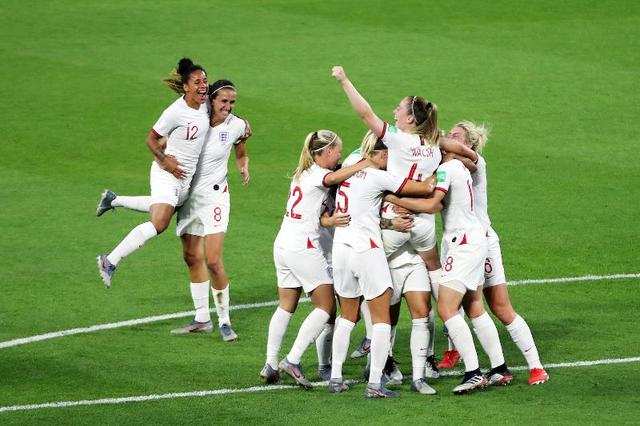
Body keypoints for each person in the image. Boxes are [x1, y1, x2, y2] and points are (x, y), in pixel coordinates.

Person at [330, 65, 477, 372]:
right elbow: (453, 147)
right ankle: (447, 346)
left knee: (376, 291)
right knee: (436, 282)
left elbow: (365, 113)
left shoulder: (398, 139)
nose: (393, 111)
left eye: (398, 108)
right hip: (423, 224)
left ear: (410, 118)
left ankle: (378, 353)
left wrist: (345, 80)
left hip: (393, 222)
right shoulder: (434, 143)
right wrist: (471, 154)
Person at [96, 79, 251, 342]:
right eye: (223, 101)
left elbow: (241, 149)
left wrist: (243, 165)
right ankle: (202, 318)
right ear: (211, 100)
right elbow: (167, 137)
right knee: (191, 257)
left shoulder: (237, 126)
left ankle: (225, 321)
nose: (228, 106)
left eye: (232, 102)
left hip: (215, 198)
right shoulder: (196, 120)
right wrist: (166, 155)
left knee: (213, 260)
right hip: (189, 196)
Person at [384, 148, 511, 394]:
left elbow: (433, 204)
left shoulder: (445, 169)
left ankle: (473, 373)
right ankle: (499, 367)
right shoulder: (461, 167)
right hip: (474, 239)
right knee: (474, 306)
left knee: (446, 307)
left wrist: (393, 199)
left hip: (462, 244)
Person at [327, 132, 435, 399]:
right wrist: (438, 170)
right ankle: (375, 383)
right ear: (380, 154)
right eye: (387, 154)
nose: (390, 159)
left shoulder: (348, 170)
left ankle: (336, 377)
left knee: (347, 316)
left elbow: (364, 214)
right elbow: (424, 189)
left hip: (341, 250)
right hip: (367, 251)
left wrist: (388, 220)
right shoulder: (378, 176)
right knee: (381, 319)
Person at [442, 121, 549, 385]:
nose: (449, 137)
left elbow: (458, 158)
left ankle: (536, 367)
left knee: (499, 305)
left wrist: (429, 138)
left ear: (469, 144)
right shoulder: (448, 163)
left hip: (481, 241)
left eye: (456, 136)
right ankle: (462, 354)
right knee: (462, 299)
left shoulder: (476, 163)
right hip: (458, 239)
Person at [260, 130, 368, 388]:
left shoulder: (302, 172)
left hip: (283, 243)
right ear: (326, 152)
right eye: (337, 151)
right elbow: (333, 177)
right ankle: (293, 360)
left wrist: (328, 220)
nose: (340, 155)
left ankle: (271, 363)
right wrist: (366, 163)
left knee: (286, 305)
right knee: (326, 307)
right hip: (303, 246)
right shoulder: (320, 174)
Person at [96, 58, 209, 288]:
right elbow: (151, 139)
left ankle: (113, 199)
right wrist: (165, 160)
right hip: (167, 173)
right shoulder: (175, 112)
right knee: (160, 222)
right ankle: (110, 260)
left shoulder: (205, 105)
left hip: (185, 177)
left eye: (205, 81)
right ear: (186, 87)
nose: (203, 86)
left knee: (166, 206)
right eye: (197, 82)